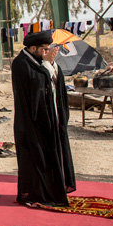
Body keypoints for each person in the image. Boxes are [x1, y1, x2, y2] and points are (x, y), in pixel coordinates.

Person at [11, 30, 76, 206]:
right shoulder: (21, 63)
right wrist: (47, 65)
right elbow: (38, 85)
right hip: (31, 121)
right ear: (33, 48)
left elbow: (54, 81)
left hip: (50, 115)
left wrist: (51, 64)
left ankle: (53, 189)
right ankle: (37, 193)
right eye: (44, 49)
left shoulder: (41, 61)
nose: (47, 52)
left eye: (48, 49)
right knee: (36, 158)